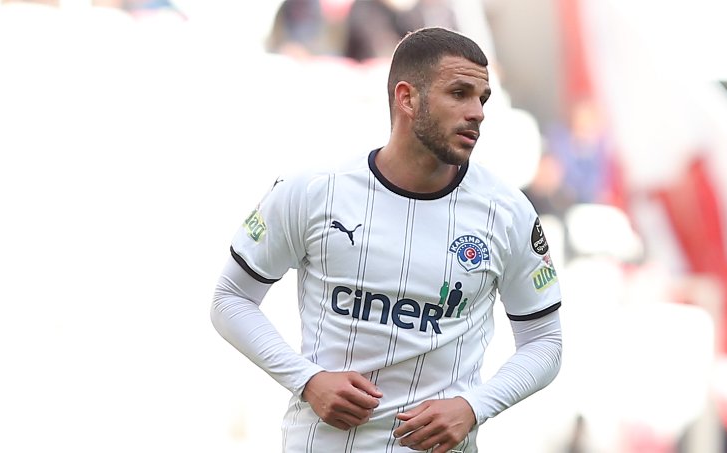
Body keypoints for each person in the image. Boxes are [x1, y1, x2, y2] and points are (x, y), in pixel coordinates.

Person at [211, 27, 563, 453]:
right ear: (407, 98)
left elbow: (545, 342)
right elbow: (231, 299)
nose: (477, 113)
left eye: (482, 99)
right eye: (459, 93)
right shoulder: (314, 191)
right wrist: (308, 380)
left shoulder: (508, 212)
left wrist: (474, 406)